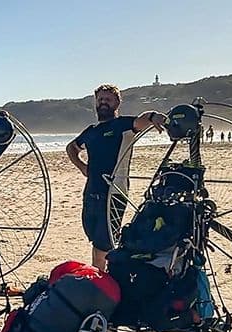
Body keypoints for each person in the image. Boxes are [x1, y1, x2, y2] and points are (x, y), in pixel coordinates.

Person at [66, 84, 167, 271]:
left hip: (113, 192)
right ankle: (101, 277)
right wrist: (82, 167)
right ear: (95, 103)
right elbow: (71, 148)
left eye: (108, 99)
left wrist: (153, 116)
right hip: (91, 191)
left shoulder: (123, 126)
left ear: (117, 103)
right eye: (100, 99)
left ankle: (101, 281)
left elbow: (141, 120)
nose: (103, 102)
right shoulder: (92, 130)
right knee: (96, 239)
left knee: (104, 244)